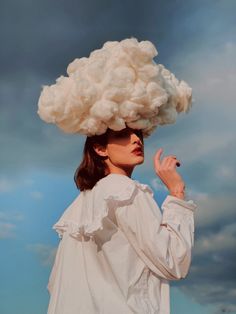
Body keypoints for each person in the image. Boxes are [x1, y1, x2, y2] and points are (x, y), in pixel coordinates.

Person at [46, 126, 197, 314]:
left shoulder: (79, 207)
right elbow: (174, 262)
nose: (136, 139)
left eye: (138, 133)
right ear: (100, 149)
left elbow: (57, 286)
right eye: (122, 135)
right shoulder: (125, 191)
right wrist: (176, 192)